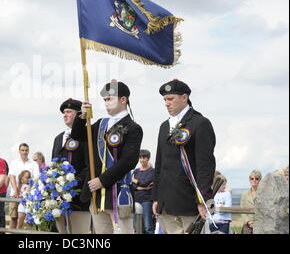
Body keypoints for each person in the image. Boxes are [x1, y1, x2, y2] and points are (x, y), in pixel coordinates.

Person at [71, 80, 143, 234]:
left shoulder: (133, 127)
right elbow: (77, 135)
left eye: (109, 99)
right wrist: (82, 116)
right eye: (104, 100)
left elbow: (129, 161)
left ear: (123, 100)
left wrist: (102, 180)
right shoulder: (100, 124)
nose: (106, 103)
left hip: (118, 194)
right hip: (96, 196)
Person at [152, 79, 216, 234]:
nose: (167, 103)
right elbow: (159, 164)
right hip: (167, 202)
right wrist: (156, 197)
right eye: (165, 100)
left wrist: (202, 200)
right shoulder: (164, 126)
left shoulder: (200, 123)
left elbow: (205, 165)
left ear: (184, 97)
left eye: (170, 98)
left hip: (190, 202)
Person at [52, 98, 91, 234]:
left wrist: (73, 184)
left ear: (79, 113)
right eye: (64, 112)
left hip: (79, 197)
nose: (65, 114)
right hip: (59, 199)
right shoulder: (58, 138)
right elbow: (54, 166)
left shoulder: (87, 135)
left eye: (69, 111)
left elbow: (89, 166)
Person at [8, 143, 40, 230]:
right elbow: (11, 177)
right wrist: (16, 191)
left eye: (26, 150)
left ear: (28, 151)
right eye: (22, 150)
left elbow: (36, 178)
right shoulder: (14, 162)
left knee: (29, 220)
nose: (24, 152)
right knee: (13, 218)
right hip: (14, 194)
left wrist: (27, 191)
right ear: (19, 151)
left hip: (29, 196)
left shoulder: (33, 164)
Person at [131, 149, 155, 234]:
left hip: (146, 200)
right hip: (136, 199)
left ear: (148, 158)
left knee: (147, 225)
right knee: (135, 225)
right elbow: (132, 185)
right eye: (140, 158)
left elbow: (146, 183)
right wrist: (142, 187)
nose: (142, 160)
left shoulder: (152, 171)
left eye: (144, 158)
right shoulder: (136, 171)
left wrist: (136, 181)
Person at [240, 170, 261, 234]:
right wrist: (248, 221)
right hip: (247, 226)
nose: (254, 180)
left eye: (256, 178)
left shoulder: (263, 194)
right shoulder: (244, 194)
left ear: (260, 180)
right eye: (252, 178)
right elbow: (242, 210)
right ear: (249, 180)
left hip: (260, 225)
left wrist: (258, 222)